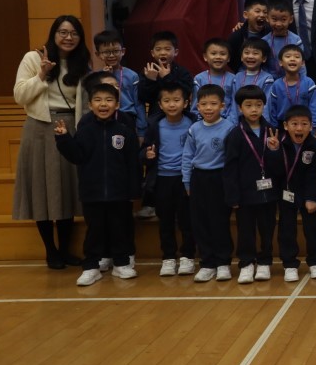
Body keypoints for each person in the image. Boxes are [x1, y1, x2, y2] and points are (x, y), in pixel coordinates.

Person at [12, 15, 89, 270]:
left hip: (70, 127)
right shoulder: (33, 58)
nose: (68, 37)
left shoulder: (81, 63)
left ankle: (65, 250)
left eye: (74, 33)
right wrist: (41, 75)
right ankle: (51, 251)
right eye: (63, 32)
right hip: (39, 127)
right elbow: (19, 95)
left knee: (66, 189)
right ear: (53, 34)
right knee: (42, 190)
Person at [53, 83, 141, 286]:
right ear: (90, 105)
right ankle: (91, 266)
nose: (103, 104)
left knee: (120, 229)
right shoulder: (85, 131)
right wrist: (64, 139)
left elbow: (133, 164)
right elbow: (77, 156)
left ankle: (121, 264)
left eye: (109, 100)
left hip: (119, 193)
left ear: (117, 105)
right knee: (94, 231)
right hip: (92, 192)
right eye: (98, 100)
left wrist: (134, 190)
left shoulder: (125, 132)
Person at [224, 85, 282, 284]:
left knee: (267, 229)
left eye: (258, 105)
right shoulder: (235, 135)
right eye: (248, 105)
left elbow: (280, 166)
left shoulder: (272, 131)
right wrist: (232, 195)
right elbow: (230, 168)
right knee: (246, 231)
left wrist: (275, 151)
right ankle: (246, 263)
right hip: (245, 194)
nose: (254, 109)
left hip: (269, 192)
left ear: (264, 106)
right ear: (240, 108)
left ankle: (265, 262)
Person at [141, 81, 197, 277]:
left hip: (185, 180)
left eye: (176, 100)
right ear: (160, 104)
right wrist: (146, 155)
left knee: (186, 220)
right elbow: (143, 151)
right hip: (162, 180)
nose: (172, 104)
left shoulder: (193, 124)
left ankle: (188, 256)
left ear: (186, 103)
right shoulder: (154, 125)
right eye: (167, 101)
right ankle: (168, 257)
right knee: (165, 221)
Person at [182, 84, 235, 283]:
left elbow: (232, 159)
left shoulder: (229, 127)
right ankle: (207, 263)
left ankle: (223, 262)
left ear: (222, 105)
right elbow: (187, 156)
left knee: (219, 221)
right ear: (197, 106)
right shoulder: (194, 129)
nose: (208, 108)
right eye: (204, 104)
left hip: (220, 178)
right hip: (198, 178)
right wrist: (187, 181)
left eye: (213, 104)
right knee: (200, 222)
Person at [275, 105, 316, 281]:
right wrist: (273, 152)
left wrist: (311, 198)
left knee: (311, 229)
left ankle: (315, 261)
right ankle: (290, 264)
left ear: (311, 126)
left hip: (307, 192)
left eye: (304, 124)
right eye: (294, 124)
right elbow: (275, 170)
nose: (299, 128)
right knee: (286, 229)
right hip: (286, 193)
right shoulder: (279, 143)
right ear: (285, 126)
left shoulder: (314, 145)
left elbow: (315, 175)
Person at [93, 29, 145, 139]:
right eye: (106, 52)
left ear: (123, 51)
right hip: (104, 118)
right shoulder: (97, 77)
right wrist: (106, 77)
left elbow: (139, 104)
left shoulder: (132, 76)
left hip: (127, 118)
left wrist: (141, 130)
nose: (112, 55)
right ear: (98, 54)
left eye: (116, 51)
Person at [138, 30, 195, 117]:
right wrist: (150, 80)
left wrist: (167, 77)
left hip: (181, 117)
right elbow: (143, 98)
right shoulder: (148, 72)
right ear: (152, 53)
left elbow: (186, 93)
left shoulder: (182, 72)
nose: (162, 53)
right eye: (158, 49)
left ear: (176, 52)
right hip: (156, 118)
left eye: (167, 49)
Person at [267, 44, 316, 130]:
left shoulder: (309, 83)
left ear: (302, 63)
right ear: (280, 62)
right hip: (282, 126)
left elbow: (314, 107)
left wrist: (313, 128)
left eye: (297, 57)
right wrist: (274, 128)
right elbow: (272, 109)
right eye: (288, 56)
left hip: (304, 126)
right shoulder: (276, 85)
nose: (292, 59)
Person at [192, 38, 237, 123]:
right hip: (203, 122)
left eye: (222, 54)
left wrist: (230, 124)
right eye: (213, 53)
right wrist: (200, 123)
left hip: (227, 123)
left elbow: (234, 106)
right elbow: (195, 106)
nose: (218, 57)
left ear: (228, 58)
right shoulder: (199, 79)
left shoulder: (233, 79)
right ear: (205, 57)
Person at [261, 1, 304, 79]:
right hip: (270, 81)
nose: (278, 24)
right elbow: (262, 65)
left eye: (283, 19)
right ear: (267, 18)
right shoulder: (264, 41)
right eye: (274, 19)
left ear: (291, 19)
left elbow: (301, 65)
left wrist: (302, 81)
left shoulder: (296, 40)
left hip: (292, 80)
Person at [228, 0, 270, 73]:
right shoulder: (237, 36)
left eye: (265, 12)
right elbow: (231, 60)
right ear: (246, 15)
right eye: (257, 11)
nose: (262, 15)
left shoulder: (271, 33)